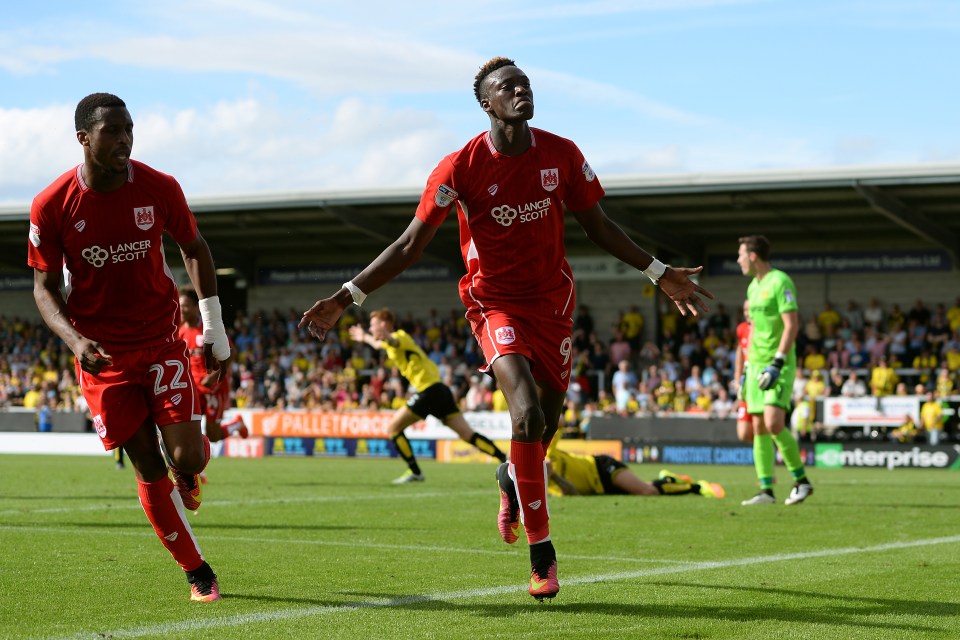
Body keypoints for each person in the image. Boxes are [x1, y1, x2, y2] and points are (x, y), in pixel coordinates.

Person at [299, 57, 714, 601]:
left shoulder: (562, 154)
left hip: (554, 305)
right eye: (507, 87)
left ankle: (510, 481)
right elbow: (409, 245)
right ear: (486, 104)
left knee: (544, 430)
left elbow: (600, 226)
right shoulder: (458, 168)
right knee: (526, 413)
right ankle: (543, 558)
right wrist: (345, 298)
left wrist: (660, 274)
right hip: (494, 305)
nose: (520, 90)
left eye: (525, 83)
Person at [28, 93, 227, 602]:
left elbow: (195, 248)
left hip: (161, 342)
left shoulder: (159, 187)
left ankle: (191, 475)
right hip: (105, 357)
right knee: (147, 464)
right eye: (112, 131)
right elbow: (45, 289)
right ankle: (196, 570)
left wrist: (213, 329)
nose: (125, 140)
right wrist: (75, 339)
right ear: (84, 139)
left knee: (188, 456)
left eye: (129, 129)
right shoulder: (52, 206)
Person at [349, 308, 506, 483]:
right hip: (440, 391)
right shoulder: (388, 341)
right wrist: (364, 337)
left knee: (393, 428)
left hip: (428, 390)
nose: (371, 328)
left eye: (373, 325)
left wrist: (384, 335)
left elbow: (392, 341)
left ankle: (415, 471)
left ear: (384, 325)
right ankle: (504, 459)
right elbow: (379, 344)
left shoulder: (400, 337)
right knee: (466, 434)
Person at [736, 235, 814, 506]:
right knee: (758, 426)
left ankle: (802, 482)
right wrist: (746, 366)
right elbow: (754, 328)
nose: (738, 260)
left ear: (753, 256)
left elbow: (792, 324)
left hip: (776, 364)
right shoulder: (752, 287)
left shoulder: (780, 281)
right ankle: (766, 490)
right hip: (755, 364)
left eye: (741, 255)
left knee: (773, 423)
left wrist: (778, 361)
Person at [178, 285, 249, 476]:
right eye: (179, 305)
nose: (181, 309)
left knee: (214, 435)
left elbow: (230, 353)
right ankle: (197, 473)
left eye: (185, 306)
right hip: (193, 389)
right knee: (189, 432)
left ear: (195, 307)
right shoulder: (180, 332)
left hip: (215, 388)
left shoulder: (209, 329)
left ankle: (235, 424)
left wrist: (215, 375)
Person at [544, 434, 724, 498]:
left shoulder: (545, 450)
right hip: (603, 489)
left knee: (647, 491)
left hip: (601, 468)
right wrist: (553, 476)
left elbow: (558, 423)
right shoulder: (545, 483)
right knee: (644, 487)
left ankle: (697, 487)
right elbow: (573, 493)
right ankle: (669, 480)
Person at [732, 299, 753, 443]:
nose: (747, 313)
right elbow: (740, 352)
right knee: (743, 433)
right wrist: (737, 377)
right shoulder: (741, 328)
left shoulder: (766, 329)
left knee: (761, 427)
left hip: (760, 382)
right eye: (745, 310)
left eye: (749, 309)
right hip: (746, 385)